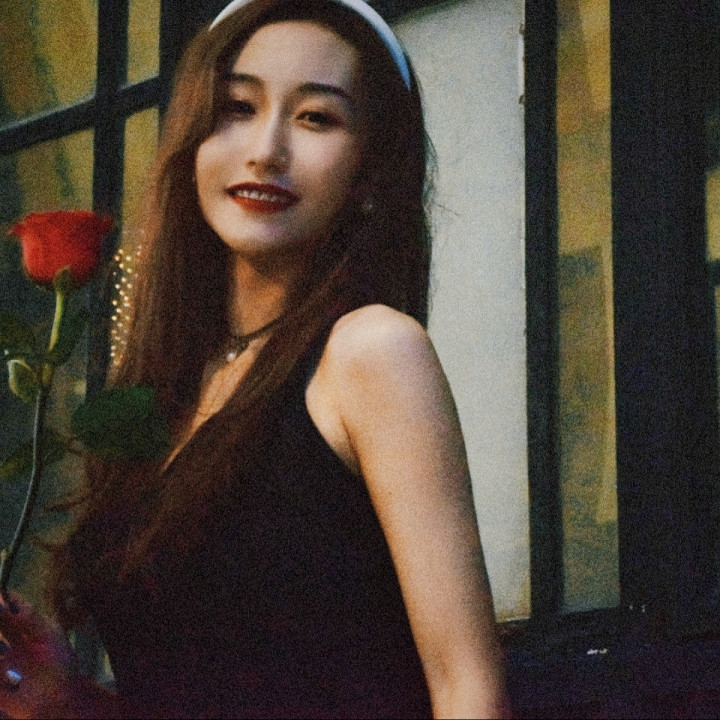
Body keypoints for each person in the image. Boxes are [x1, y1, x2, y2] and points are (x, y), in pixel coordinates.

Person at [0, 0, 509, 717]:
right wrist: (70, 699)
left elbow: (467, 688)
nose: (267, 149)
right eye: (236, 107)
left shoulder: (371, 352)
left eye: (316, 118)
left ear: (370, 171)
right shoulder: (167, 390)